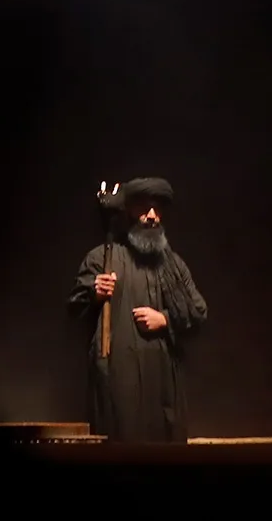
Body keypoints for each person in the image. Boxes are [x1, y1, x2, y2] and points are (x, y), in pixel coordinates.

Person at [68, 177, 210, 444]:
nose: (152, 216)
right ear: (130, 212)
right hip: (118, 376)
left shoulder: (172, 264)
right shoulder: (103, 258)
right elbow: (75, 309)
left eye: (157, 209)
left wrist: (164, 319)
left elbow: (197, 312)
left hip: (163, 381)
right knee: (120, 440)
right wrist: (95, 293)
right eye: (144, 208)